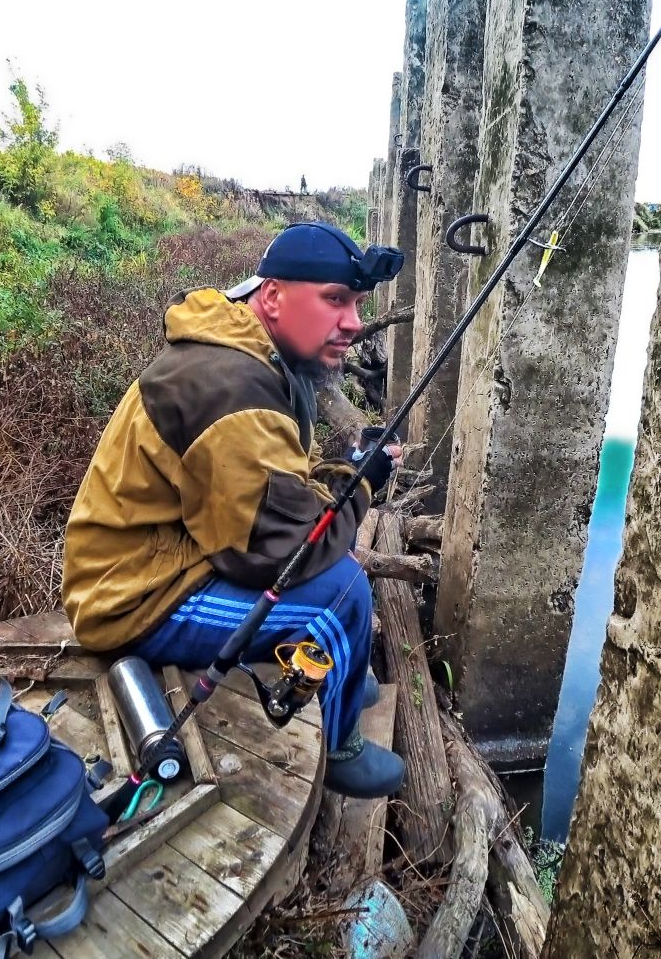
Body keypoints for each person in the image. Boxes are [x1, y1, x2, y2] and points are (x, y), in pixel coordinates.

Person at [62, 221, 406, 798]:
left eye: (356, 305)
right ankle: (342, 746)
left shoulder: (248, 351)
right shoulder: (233, 389)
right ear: (272, 296)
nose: (352, 322)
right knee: (344, 592)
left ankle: (342, 673)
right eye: (334, 300)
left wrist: (348, 466)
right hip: (129, 599)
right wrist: (361, 482)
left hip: (175, 551)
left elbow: (282, 486)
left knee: (336, 573)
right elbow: (282, 556)